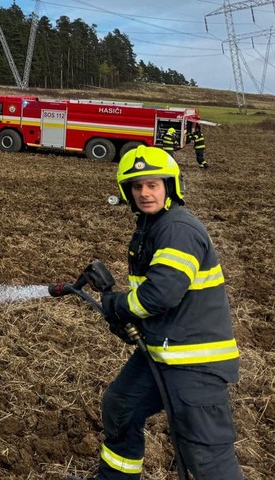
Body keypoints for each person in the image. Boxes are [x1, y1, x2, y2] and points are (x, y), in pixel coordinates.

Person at [67, 145, 242, 480]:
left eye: (152, 184)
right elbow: (149, 298)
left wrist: (118, 306)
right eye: (137, 186)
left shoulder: (177, 229)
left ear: (169, 186)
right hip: (164, 351)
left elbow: (161, 293)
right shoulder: (151, 226)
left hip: (195, 362)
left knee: (206, 455)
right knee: (121, 406)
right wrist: (128, 319)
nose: (145, 193)